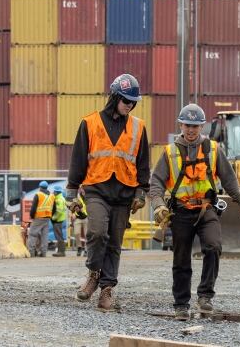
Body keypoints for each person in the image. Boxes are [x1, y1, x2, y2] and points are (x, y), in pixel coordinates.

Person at [148, 103, 240, 321]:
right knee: (181, 259)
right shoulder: (169, 152)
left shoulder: (213, 149)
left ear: (202, 126)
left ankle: (205, 296)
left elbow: (229, 177)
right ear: (180, 125)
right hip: (181, 212)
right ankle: (181, 305)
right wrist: (158, 204)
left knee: (213, 247)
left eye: (195, 126)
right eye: (187, 125)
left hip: (207, 210)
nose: (191, 130)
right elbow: (155, 182)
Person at [65, 74, 150, 312]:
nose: (130, 105)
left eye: (133, 102)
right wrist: (71, 194)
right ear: (114, 97)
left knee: (114, 244)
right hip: (97, 191)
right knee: (97, 232)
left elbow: (143, 163)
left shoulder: (138, 127)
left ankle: (106, 290)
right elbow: (78, 160)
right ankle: (93, 273)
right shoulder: (90, 123)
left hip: (124, 194)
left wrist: (141, 193)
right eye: (126, 100)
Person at [27, 181, 54, 257]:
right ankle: (43, 253)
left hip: (38, 217)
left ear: (40, 187)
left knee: (32, 234)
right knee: (44, 236)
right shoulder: (52, 196)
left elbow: (33, 208)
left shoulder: (38, 195)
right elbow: (54, 208)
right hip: (47, 218)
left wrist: (32, 216)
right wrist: (50, 215)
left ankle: (31, 252)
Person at [50, 186, 68, 257]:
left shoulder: (59, 199)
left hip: (58, 220)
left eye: (54, 191)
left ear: (56, 192)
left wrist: (53, 218)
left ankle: (61, 252)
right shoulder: (59, 198)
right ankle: (60, 251)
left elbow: (59, 211)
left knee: (59, 236)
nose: (53, 192)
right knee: (59, 235)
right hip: (59, 219)